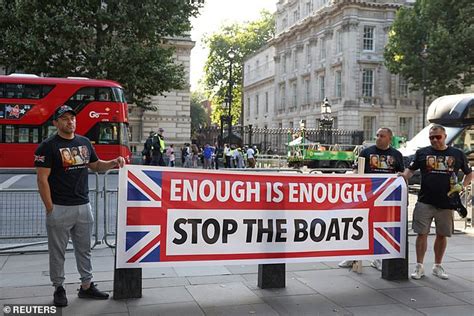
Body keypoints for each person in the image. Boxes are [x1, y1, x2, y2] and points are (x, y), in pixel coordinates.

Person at [34, 105, 125, 307]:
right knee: (57, 253)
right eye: (65, 119)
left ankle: (86, 286)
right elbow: (42, 180)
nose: (70, 122)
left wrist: (112, 163)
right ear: (56, 123)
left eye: (72, 118)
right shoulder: (47, 147)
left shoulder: (84, 143)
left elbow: (95, 165)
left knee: (84, 250)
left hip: (84, 206)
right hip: (59, 207)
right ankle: (59, 287)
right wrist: (50, 209)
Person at [400, 124, 472, 280]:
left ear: (445, 136)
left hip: (447, 202)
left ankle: (437, 266)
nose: (434, 140)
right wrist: (401, 177)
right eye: (431, 137)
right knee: (422, 234)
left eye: (437, 137)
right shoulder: (422, 153)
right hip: (425, 200)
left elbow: (469, 173)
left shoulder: (457, 154)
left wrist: (462, 186)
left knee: (442, 235)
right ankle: (419, 266)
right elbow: (410, 171)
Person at [339, 127, 404, 271]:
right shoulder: (366, 152)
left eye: (382, 136)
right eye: (377, 135)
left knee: (380, 227)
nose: (378, 138)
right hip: (366, 196)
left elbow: (400, 174)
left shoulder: (397, 154)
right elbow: (357, 171)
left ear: (389, 138)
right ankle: (353, 256)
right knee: (359, 226)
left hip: (385, 198)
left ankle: (377, 258)